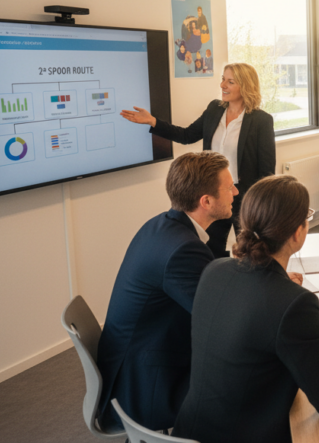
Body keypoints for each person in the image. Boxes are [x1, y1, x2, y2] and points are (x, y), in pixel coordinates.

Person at [172, 175, 319, 443]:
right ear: (297, 232)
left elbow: (251, 333)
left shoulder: (215, 269)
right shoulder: (295, 302)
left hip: (190, 431)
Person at [95, 151, 237, 431]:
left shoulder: (163, 226)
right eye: (229, 187)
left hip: (136, 361)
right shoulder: (183, 249)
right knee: (255, 376)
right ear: (206, 201)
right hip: (147, 386)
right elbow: (223, 320)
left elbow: (208, 284)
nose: (236, 191)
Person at [121, 62, 275, 257]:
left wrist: (262, 206)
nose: (222, 86)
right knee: (210, 249)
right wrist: (154, 122)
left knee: (251, 251)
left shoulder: (261, 120)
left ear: (245, 86)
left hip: (244, 197)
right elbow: (186, 135)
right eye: (222, 80)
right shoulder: (214, 109)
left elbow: (267, 172)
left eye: (230, 82)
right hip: (212, 194)